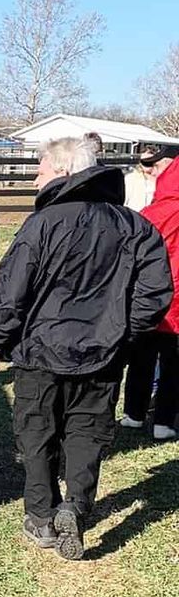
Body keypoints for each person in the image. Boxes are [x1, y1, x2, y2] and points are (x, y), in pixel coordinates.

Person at [0, 137, 173, 558]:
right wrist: (125, 334)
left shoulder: (43, 224)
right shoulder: (134, 225)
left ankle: (42, 514)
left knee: (37, 430)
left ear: (65, 172)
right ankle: (76, 504)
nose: (36, 176)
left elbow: (10, 290)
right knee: (88, 431)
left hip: (42, 352)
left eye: (42, 169)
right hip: (102, 353)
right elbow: (156, 292)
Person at [121, 146, 179, 440]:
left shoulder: (152, 213)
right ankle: (164, 421)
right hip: (177, 302)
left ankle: (133, 412)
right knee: (173, 365)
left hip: (150, 294)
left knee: (141, 357)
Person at [124, 142, 176, 212]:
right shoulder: (130, 179)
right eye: (145, 163)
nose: (153, 172)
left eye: (156, 166)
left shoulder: (166, 188)